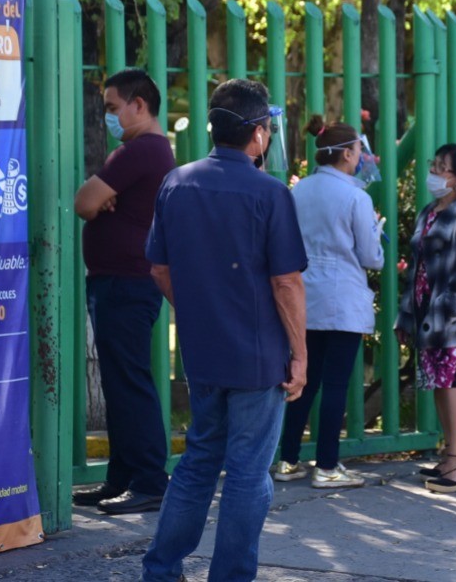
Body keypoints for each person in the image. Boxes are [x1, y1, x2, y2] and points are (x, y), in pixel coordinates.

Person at [140, 79, 308, 582]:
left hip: (204, 350)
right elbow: (286, 283)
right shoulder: (270, 192)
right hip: (258, 354)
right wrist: (299, 354)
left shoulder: (177, 182)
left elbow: (160, 270)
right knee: (247, 474)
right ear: (258, 133)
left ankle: (162, 569)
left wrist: (199, 310)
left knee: (197, 462)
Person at [71, 68, 174, 515]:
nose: (110, 117)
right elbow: (96, 201)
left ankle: (150, 479)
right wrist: (102, 198)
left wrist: (100, 198)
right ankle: (121, 478)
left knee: (129, 381)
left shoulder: (141, 150)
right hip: (120, 281)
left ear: (139, 104)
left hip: (126, 283)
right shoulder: (138, 153)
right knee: (119, 382)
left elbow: (84, 203)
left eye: (114, 108)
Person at [273, 116, 384, 488]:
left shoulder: (299, 190)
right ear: (348, 153)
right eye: (358, 150)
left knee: (305, 379)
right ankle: (327, 466)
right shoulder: (357, 196)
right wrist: (377, 234)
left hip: (305, 296)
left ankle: (287, 460)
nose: (361, 157)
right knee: (335, 383)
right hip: (342, 300)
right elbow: (371, 257)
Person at [397, 144, 456, 494]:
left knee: (451, 384)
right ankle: (449, 456)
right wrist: (406, 316)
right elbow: (418, 270)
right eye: (433, 164)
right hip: (426, 316)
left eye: (442, 167)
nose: (434, 172)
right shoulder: (430, 211)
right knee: (438, 385)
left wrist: (439, 319)